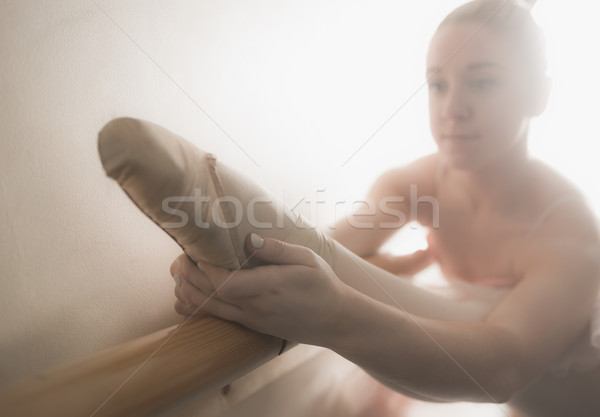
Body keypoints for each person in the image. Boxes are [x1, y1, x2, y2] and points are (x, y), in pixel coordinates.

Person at [167, 1, 600, 415]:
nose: (452, 109)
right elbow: (324, 246)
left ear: (538, 95)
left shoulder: (570, 233)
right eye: (438, 84)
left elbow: (500, 370)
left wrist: (333, 315)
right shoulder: (414, 184)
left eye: (483, 82)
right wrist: (220, 271)